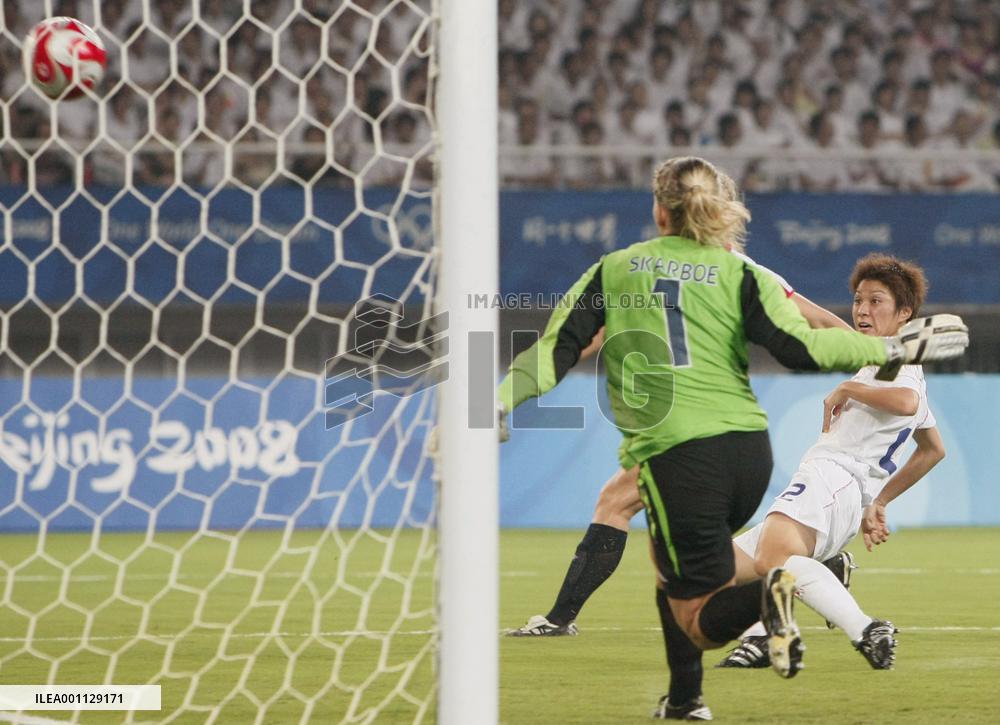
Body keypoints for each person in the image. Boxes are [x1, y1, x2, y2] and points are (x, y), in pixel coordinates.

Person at [498, 156, 967, 719]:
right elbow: (800, 346)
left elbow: (560, 347)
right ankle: (689, 695)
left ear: (658, 210)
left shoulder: (620, 267)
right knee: (679, 568)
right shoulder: (740, 272)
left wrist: (497, 401)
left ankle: (779, 594)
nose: (864, 312)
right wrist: (884, 351)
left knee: (696, 601)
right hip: (748, 452)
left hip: (680, 448)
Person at [718, 253, 945, 671]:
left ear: (904, 313)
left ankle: (864, 628)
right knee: (713, 572)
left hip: (833, 478)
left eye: (877, 301)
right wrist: (880, 501)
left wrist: (849, 389)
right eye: (859, 300)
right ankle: (760, 636)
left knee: (774, 560)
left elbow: (905, 401)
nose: (862, 309)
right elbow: (933, 449)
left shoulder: (897, 359)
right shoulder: (873, 357)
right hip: (841, 491)